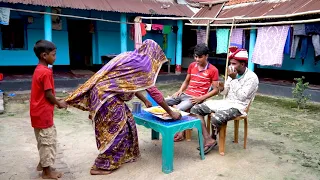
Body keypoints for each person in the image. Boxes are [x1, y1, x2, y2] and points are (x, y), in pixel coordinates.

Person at [65, 39, 181, 175]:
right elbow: (153, 91)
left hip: (105, 94)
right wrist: (171, 112)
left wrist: (144, 100)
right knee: (118, 130)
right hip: (106, 96)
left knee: (129, 121)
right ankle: (101, 166)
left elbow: (129, 83)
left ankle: (124, 155)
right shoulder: (143, 65)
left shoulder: (131, 57)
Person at [190, 47, 259, 154]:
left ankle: (212, 138)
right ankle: (209, 139)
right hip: (226, 102)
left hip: (239, 106)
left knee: (216, 118)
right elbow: (225, 92)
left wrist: (235, 78)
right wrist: (221, 88)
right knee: (195, 109)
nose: (231, 66)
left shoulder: (252, 78)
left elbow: (242, 97)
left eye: (234, 63)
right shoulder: (232, 74)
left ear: (243, 64)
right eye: (231, 63)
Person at [165, 43, 219, 141]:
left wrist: (201, 98)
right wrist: (180, 91)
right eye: (195, 57)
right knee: (162, 102)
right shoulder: (192, 65)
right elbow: (186, 81)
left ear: (206, 56)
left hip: (195, 98)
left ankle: (177, 131)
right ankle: (179, 131)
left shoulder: (213, 70)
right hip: (185, 94)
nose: (197, 59)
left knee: (178, 109)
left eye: (200, 57)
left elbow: (216, 90)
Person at [30, 40, 68, 179]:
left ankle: (44, 164)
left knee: (43, 140)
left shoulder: (38, 69)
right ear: (44, 55)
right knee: (48, 142)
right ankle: (47, 172)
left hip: (37, 113)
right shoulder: (46, 72)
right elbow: (48, 94)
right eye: (54, 54)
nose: (55, 57)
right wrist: (59, 103)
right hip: (43, 113)